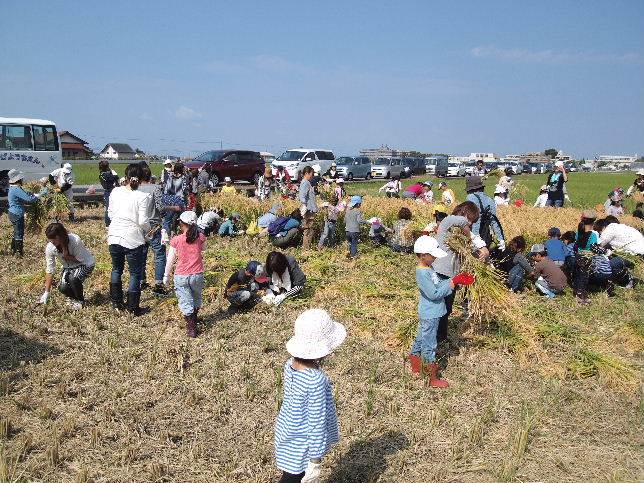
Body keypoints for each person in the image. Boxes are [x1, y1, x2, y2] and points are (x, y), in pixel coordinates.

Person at [274, 308, 346, 483]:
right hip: (302, 444)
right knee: (293, 478)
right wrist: (315, 459)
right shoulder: (316, 380)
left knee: (290, 474)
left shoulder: (289, 365)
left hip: (286, 432)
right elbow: (316, 422)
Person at [408, 236, 474, 388]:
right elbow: (434, 294)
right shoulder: (422, 273)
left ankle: (415, 362)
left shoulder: (429, 269)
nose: (436, 258)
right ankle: (430, 377)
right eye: (433, 255)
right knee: (429, 344)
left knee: (421, 338)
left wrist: (456, 279)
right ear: (423, 255)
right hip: (430, 313)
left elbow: (438, 284)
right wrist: (453, 282)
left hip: (433, 312)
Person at [432, 201, 488, 344]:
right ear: (462, 213)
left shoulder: (462, 236)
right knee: (437, 306)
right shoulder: (447, 223)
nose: (469, 224)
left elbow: (474, 247)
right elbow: (462, 223)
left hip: (453, 276)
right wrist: (469, 234)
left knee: (447, 308)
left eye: (472, 222)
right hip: (439, 272)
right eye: (469, 220)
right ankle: (431, 335)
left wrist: (483, 250)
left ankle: (441, 336)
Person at [107, 163, 151, 315]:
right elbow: (143, 221)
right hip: (132, 238)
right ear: (141, 178)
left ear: (125, 176)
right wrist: (148, 231)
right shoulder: (143, 196)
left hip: (114, 236)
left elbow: (110, 214)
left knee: (116, 269)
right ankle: (133, 308)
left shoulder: (115, 191)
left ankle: (116, 302)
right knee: (134, 273)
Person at [163, 211, 206, 338]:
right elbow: (204, 249)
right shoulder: (201, 237)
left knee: (185, 301)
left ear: (181, 224)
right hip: (197, 274)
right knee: (196, 297)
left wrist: (166, 275)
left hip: (181, 275)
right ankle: (194, 318)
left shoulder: (176, 240)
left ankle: (191, 327)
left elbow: (170, 259)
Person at [38, 222, 95, 309]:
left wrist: (66, 256)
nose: (52, 242)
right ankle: (74, 299)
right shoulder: (50, 247)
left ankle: (80, 301)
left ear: (61, 236)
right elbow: (50, 269)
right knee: (63, 287)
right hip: (68, 267)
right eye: (50, 239)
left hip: (85, 264)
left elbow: (80, 259)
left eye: (55, 238)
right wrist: (46, 292)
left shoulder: (75, 240)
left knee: (73, 278)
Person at [138, 163, 172, 295]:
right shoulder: (156, 188)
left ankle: (141, 281)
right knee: (159, 254)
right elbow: (160, 207)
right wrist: (171, 209)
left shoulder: (136, 189)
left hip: (139, 226)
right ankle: (158, 284)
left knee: (141, 254)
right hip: (153, 225)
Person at [7, 169, 46, 256]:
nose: (22, 180)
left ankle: (13, 250)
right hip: (17, 214)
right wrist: (40, 194)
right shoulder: (16, 189)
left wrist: (32, 193)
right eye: (21, 179)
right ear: (18, 180)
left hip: (12, 213)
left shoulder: (13, 188)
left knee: (16, 232)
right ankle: (19, 253)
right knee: (19, 233)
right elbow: (30, 199)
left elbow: (24, 194)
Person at [465, 176, 506, 251]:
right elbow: (494, 221)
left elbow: (476, 218)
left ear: (470, 189)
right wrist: (500, 239)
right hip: (485, 236)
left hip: (473, 236)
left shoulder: (470, 197)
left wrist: (475, 237)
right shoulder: (489, 200)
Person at [161, 162, 188, 243]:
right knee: (184, 219)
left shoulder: (170, 176)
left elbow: (166, 189)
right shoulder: (183, 177)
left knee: (167, 220)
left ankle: (167, 238)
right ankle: (184, 237)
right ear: (181, 169)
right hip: (179, 201)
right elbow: (184, 190)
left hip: (169, 200)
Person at [298, 166, 318, 250]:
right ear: (306, 173)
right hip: (309, 210)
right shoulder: (305, 182)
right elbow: (302, 196)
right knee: (308, 229)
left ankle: (306, 247)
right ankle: (306, 248)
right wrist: (304, 205)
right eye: (311, 174)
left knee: (308, 228)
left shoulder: (306, 182)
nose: (312, 176)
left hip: (309, 208)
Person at [98, 160, 119, 226]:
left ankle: (107, 223)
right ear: (107, 166)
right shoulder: (107, 175)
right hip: (111, 191)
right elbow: (116, 177)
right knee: (110, 208)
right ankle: (109, 222)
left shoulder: (101, 174)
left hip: (106, 191)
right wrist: (112, 171)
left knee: (108, 207)